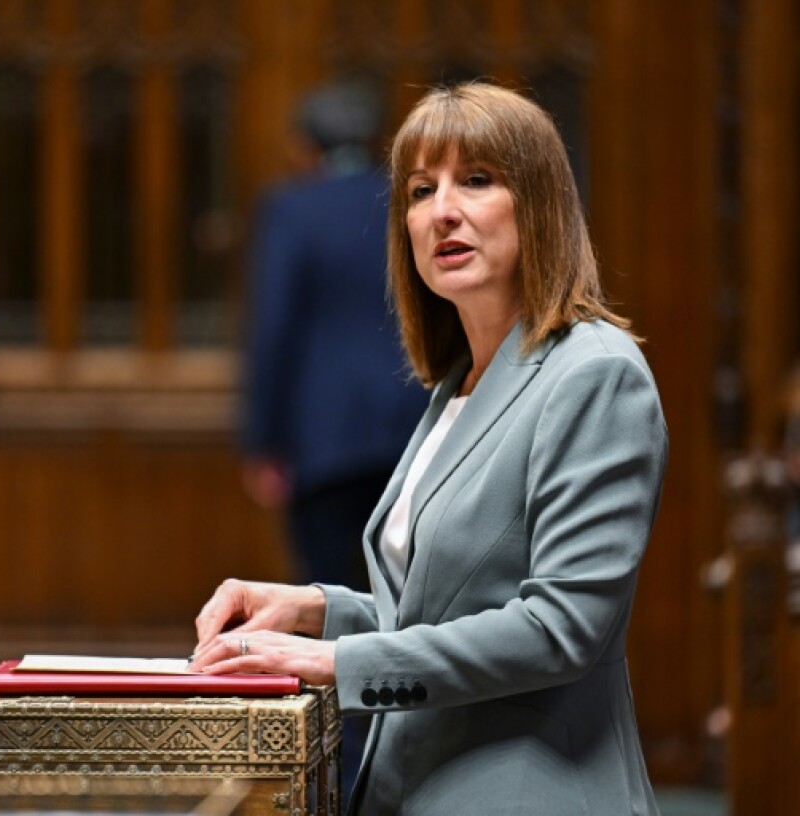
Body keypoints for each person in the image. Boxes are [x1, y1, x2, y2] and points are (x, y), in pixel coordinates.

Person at [192, 81, 668, 815]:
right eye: (420, 190)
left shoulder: (594, 373)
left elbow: (557, 629)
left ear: (538, 202)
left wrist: (335, 661)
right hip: (419, 786)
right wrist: (318, 609)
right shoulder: (460, 383)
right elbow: (444, 607)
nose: (442, 209)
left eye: (476, 181)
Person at [241, 80, 430, 804]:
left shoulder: (290, 207)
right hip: (414, 429)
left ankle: (350, 779)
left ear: (302, 149)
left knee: (327, 608)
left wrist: (265, 442)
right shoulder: (403, 201)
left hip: (322, 441)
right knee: (412, 607)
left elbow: (274, 329)